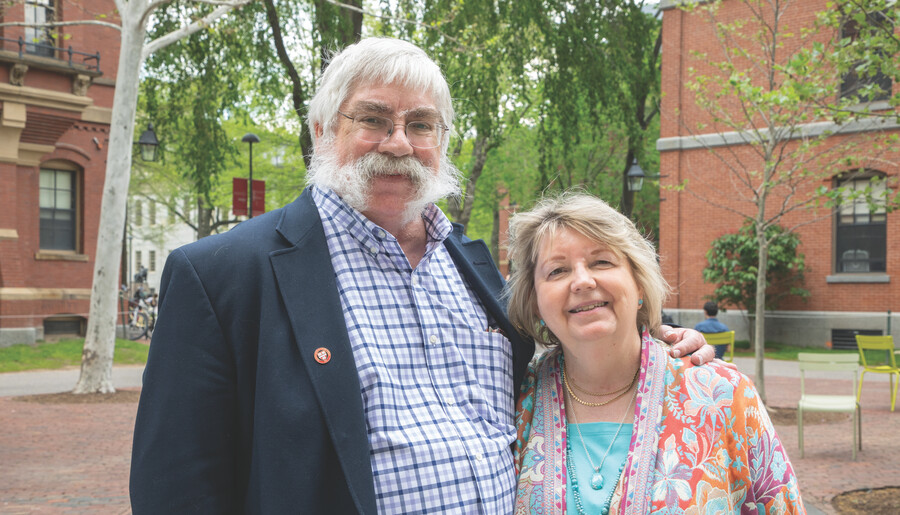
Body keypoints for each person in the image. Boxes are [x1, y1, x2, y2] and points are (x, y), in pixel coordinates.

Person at [129, 38, 712, 514]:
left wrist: (657, 347)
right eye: (373, 119)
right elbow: (174, 490)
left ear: (442, 141)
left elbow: (561, 357)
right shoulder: (223, 274)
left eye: (422, 125)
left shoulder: (471, 263)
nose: (399, 143)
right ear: (323, 129)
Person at [508, 192, 804, 514]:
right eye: (557, 270)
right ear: (535, 301)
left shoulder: (724, 396)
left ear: (639, 284)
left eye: (601, 261)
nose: (582, 281)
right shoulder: (512, 398)